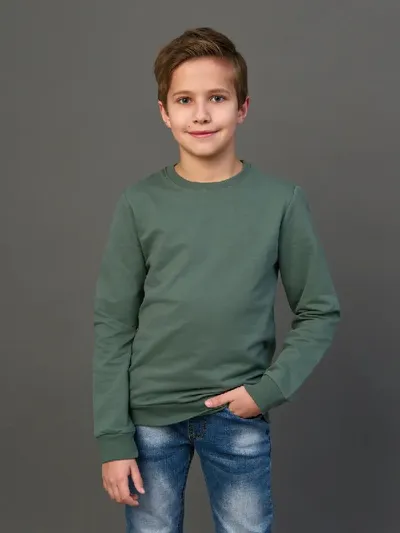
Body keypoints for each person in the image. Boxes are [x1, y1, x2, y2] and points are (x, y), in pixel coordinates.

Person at [92, 26, 341, 533]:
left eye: (217, 98)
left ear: (242, 107)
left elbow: (319, 310)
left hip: (236, 414)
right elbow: (113, 325)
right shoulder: (140, 203)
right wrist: (113, 438)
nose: (201, 114)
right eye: (185, 100)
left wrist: (268, 390)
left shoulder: (280, 201)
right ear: (165, 112)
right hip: (149, 420)